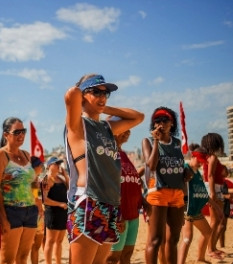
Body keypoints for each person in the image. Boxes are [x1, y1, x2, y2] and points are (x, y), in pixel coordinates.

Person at [64, 73, 144, 264]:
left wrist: (101, 106)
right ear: (83, 95)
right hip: (88, 199)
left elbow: (138, 117)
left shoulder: (107, 128)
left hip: (110, 203)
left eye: (106, 93)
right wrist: (84, 91)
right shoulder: (78, 125)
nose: (102, 96)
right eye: (96, 92)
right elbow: (71, 94)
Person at [142, 106, 191, 264]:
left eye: (165, 120)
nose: (161, 123)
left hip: (176, 192)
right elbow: (152, 165)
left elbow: (178, 167)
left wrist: (185, 174)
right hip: (158, 191)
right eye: (157, 121)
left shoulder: (176, 143)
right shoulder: (148, 141)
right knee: (156, 239)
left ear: (172, 123)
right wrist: (156, 141)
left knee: (174, 239)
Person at [0, 117, 38, 264]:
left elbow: (33, 182)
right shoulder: (1, 154)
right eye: (17, 132)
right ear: (6, 135)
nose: (21, 135)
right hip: (11, 210)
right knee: (7, 260)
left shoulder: (26, 154)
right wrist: (3, 217)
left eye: (23, 131)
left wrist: (37, 201)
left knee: (23, 257)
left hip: (31, 210)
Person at [177, 144, 223, 264]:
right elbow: (178, 185)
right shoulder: (186, 169)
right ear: (193, 157)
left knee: (207, 231)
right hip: (187, 209)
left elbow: (203, 193)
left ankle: (201, 258)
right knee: (187, 238)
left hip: (196, 210)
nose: (200, 164)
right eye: (199, 161)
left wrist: (217, 207)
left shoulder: (197, 173)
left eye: (202, 162)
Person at [107, 129, 143, 264]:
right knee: (112, 258)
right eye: (124, 129)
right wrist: (116, 214)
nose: (128, 132)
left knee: (126, 256)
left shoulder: (124, 155)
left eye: (129, 130)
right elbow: (107, 186)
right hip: (118, 215)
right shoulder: (108, 154)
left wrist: (143, 201)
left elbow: (129, 182)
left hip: (133, 214)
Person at [201, 132, 226, 259]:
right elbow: (210, 175)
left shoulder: (208, 158)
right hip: (214, 188)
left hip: (215, 187)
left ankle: (213, 247)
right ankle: (210, 249)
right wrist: (212, 193)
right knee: (215, 220)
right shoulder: (212, 158)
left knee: (217, 220)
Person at [42, 156, 69, 264]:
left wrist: (65, 175)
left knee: (59, 241)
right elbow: (44, 200)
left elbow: (70, 187)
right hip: (52, 213)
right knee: (50, 241)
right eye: (56, 164)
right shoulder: (46, 179)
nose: (58, 166)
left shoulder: (61, 178)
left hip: (63, 213)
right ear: (49, 166)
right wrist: (60, 204)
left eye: (59, 164)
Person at [30, 156, 45, 264]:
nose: (42, 168)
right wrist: (41, 211)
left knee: (34, 246)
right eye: (41, 166)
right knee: (35, 246)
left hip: (34, 214)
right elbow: (37, 199)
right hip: (36, 215)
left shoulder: (35, 180)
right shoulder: (34, 181)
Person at [218, 165, 230, 249]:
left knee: (223, 227)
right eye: (225, 170)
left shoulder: (223, 182)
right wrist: (229, 196)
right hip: (222, 206)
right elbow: (222, 195)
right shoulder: (220, 182)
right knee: (221, 226)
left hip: (225, 205)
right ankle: (214, 245)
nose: (227, 172)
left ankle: (222, 246)